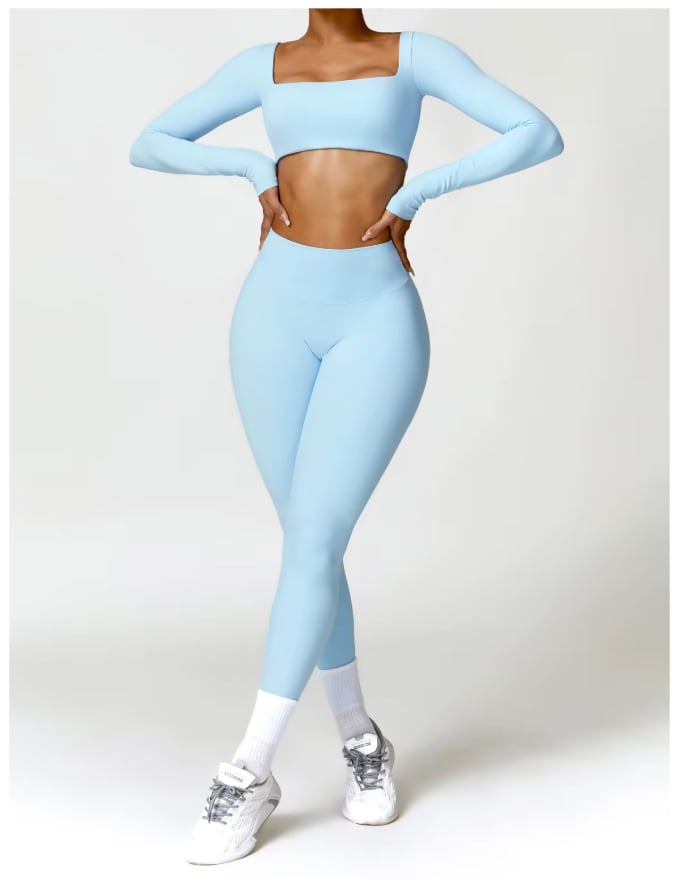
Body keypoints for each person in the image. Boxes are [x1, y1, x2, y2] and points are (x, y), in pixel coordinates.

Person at [129, 8, 564, 865]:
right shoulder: (262, 64)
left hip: (376, 315)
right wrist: (249, 164)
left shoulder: (416, 55)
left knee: (314, 536)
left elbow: (536, 133)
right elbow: (150, 143)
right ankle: (361, 737)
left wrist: (417, 193)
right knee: (309, 542)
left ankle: (247, 768)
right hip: (270, 313)